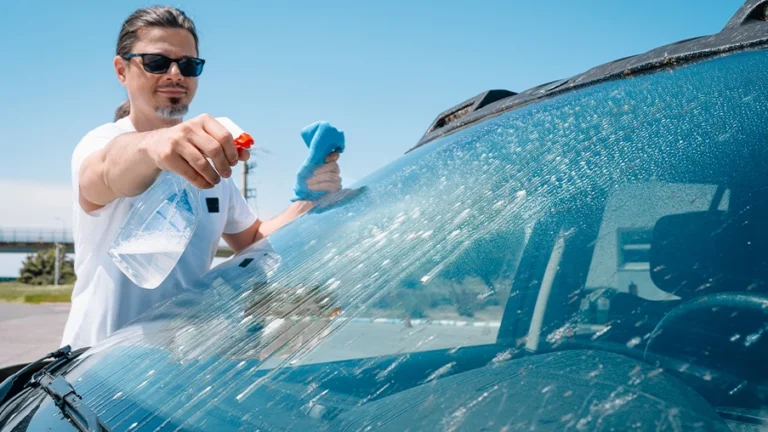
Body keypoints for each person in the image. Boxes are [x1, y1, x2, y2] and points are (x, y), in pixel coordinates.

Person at [62, 6, 342, 350]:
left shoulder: (209, 161)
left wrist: (308, 199)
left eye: (189, 65)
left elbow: (253, 240)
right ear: (122, 70)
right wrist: (156, 144)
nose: (176, 74)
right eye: (156, 63)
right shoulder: (101, 143)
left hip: (176, 367)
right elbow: (103, 174)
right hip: (92, 372)